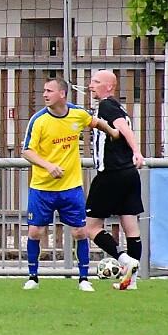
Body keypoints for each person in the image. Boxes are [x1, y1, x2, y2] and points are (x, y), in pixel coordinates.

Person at [21, 77, 111, 291]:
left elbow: (96, 122)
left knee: (80, 232)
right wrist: (48, 166)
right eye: (44, 90)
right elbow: (27, 151)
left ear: (62, 94)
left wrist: (114, 133)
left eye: (49, 91)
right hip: (42, 187)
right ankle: (33, 277)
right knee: (35, 231)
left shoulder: (78, 114)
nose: (45, 94)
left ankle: (84, 279)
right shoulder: (39, 120)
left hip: (71, 187)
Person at [83, 70, 146, 291]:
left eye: (96, 82)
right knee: (131, 228)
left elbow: (123, 128)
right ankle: (131, 282)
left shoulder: (106, 106)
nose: (91, 85)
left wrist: (137, 151)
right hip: (129, 174)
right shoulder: (119, 107)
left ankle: (123, 259)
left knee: (90, 227)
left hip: (111, 173)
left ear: (109, 86)